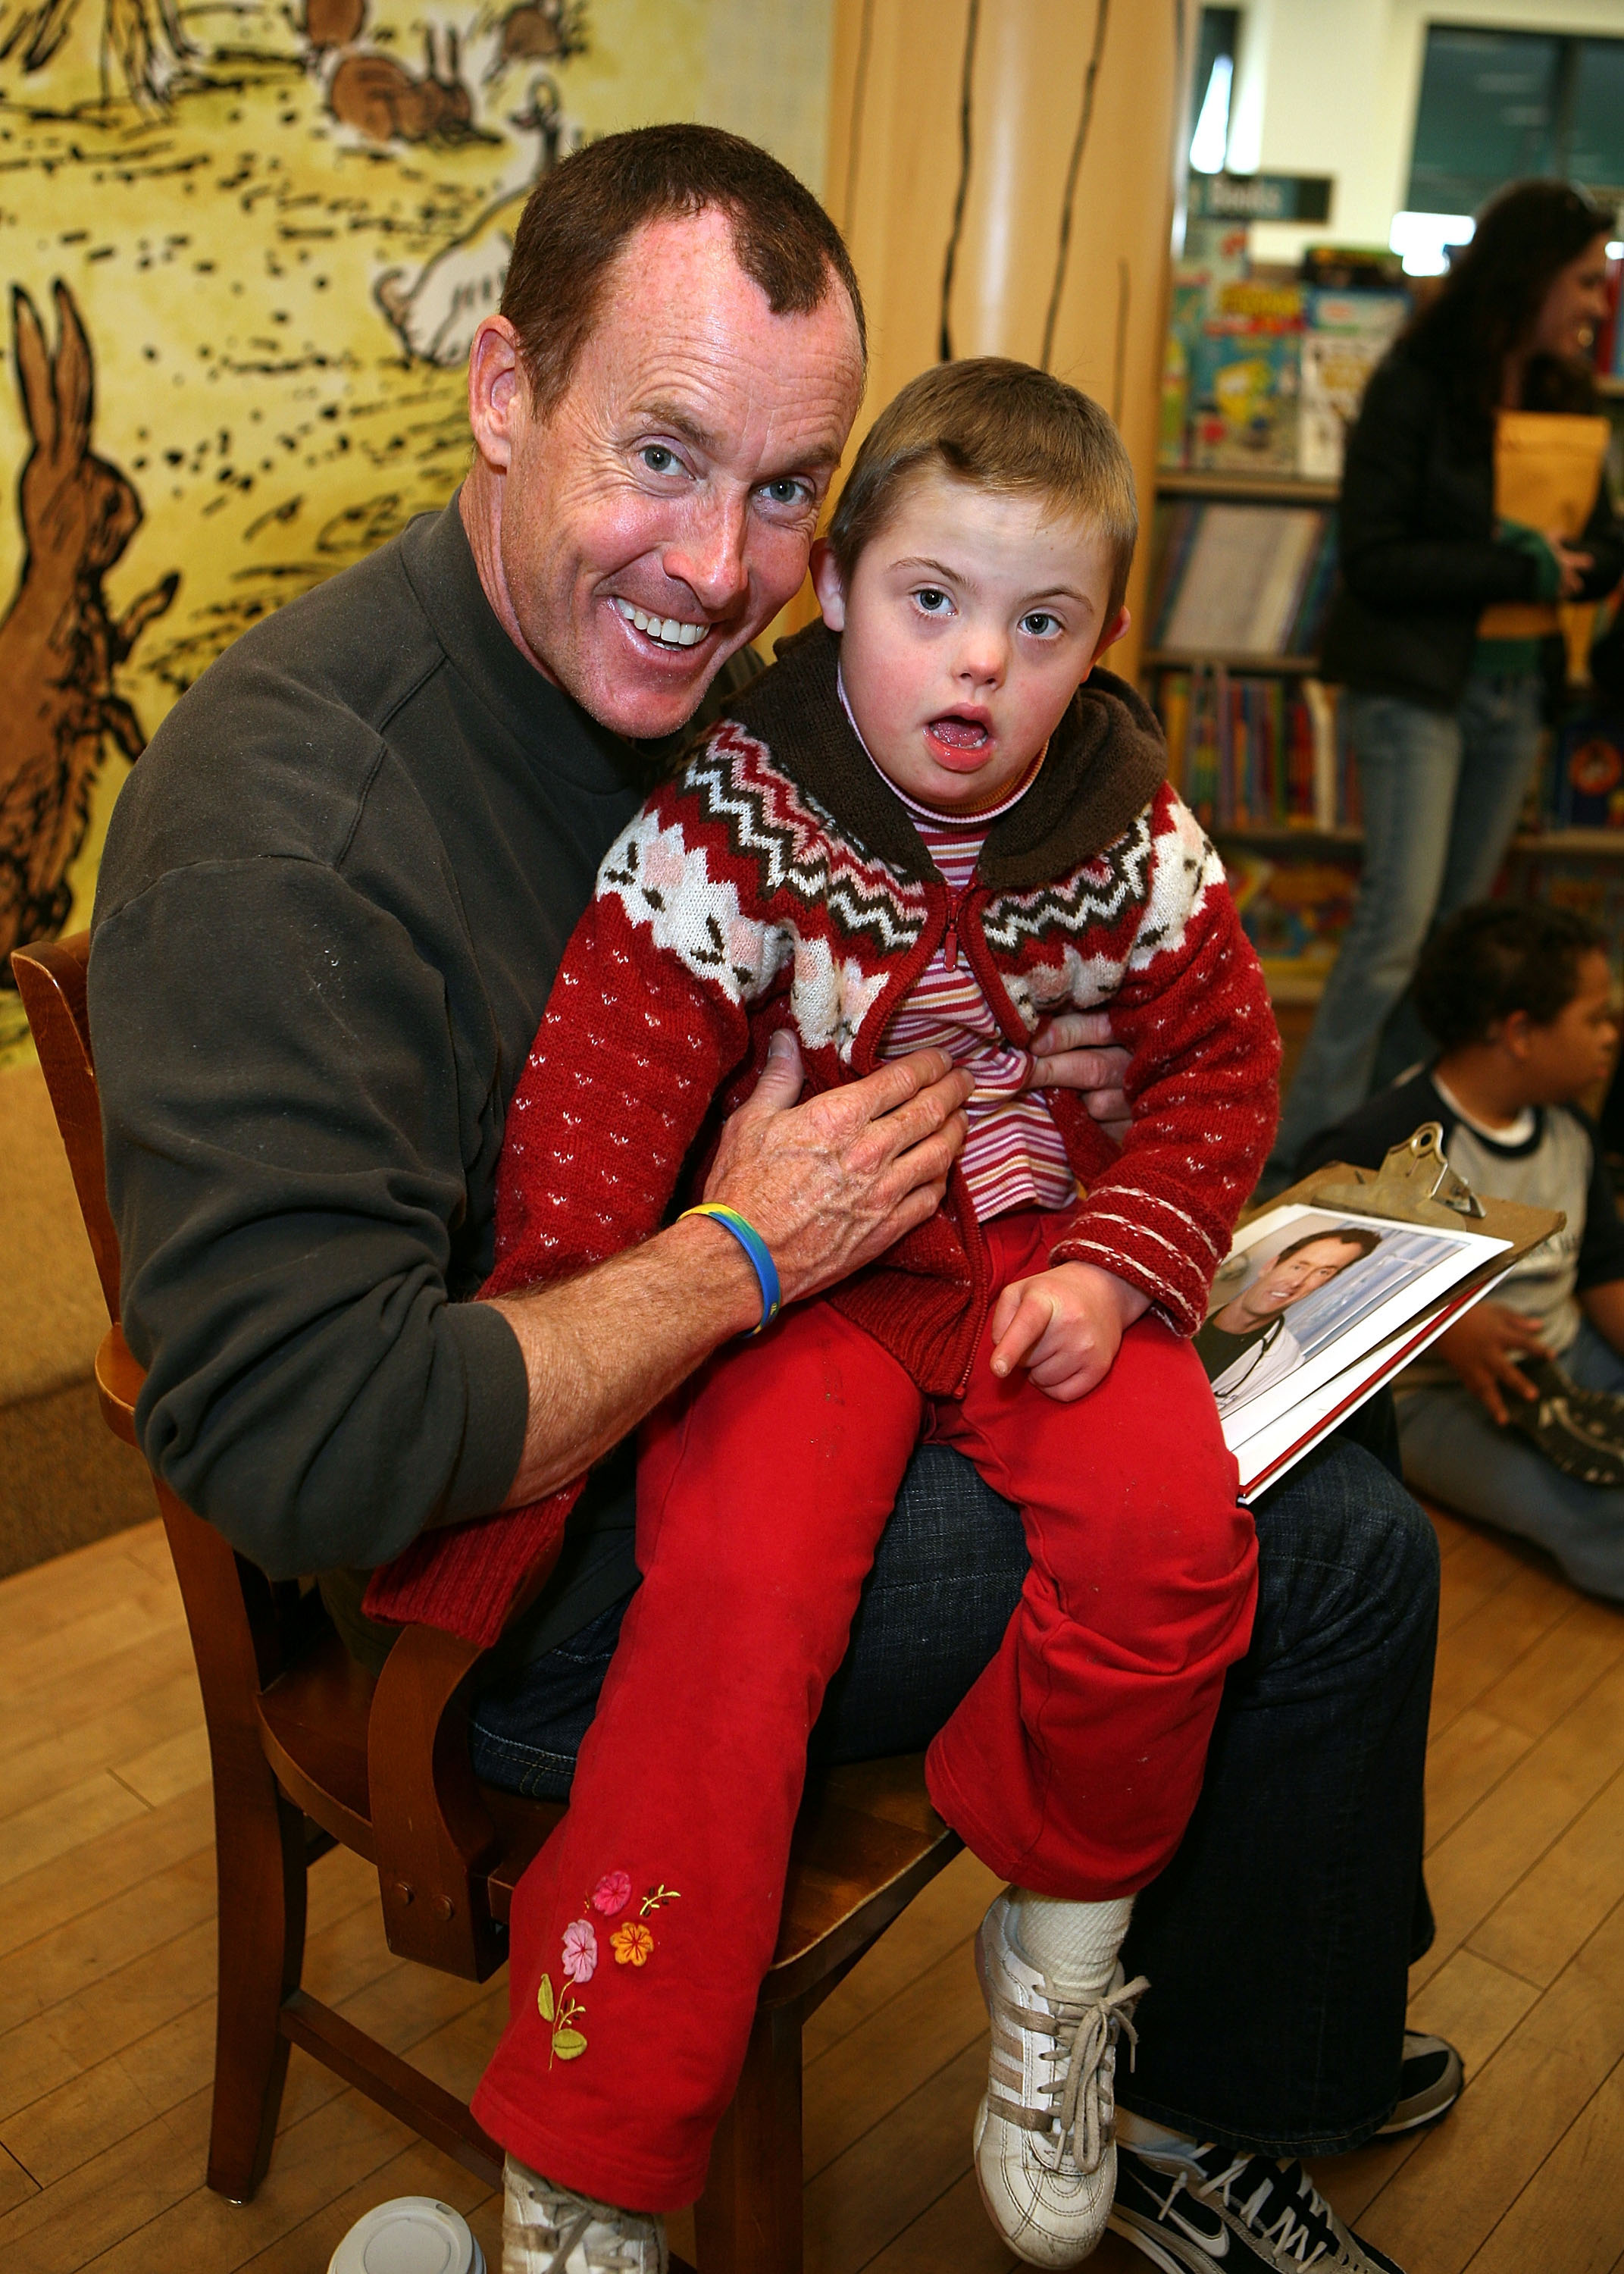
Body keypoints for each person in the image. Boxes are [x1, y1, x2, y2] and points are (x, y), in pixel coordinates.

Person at [84, 125, 1444, 2274]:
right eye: (658, 453)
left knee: (1270, 1438)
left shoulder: (725, 704)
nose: (718, 568)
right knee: (1337, 1546)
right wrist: (732, 1258)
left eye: (789, 491)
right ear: (504, 395)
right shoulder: (290, 824)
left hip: (818, 1341)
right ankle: (1193, 2109)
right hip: (513, 1581)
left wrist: (1126, 1206)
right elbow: (304, 1452)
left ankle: (1184, 2059)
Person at [386, 357, 1275, 2267]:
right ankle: (592, 2150)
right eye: (930, 603)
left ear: (1104, 637)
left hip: (1045, 1270)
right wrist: (599, 1318)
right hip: (813, 1284)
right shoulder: (740, 807)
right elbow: (604, 1087)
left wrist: (1126, 1254)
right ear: (840, 583)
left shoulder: (1138, 831)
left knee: (1181, 1546)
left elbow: (1220, 1072)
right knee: (727, 1609)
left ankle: (1057, 1958)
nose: (978, 670)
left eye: (1041, 626)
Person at [1271, 179, 1624, 1180]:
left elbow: (1595, 539)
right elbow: (1375, 556)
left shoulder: (1564, 398)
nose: (1596, 308)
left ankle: (1384, 1147)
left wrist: (1582, 562)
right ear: (1526, 278)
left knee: (1447, 948)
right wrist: (1516, 563)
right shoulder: (1413, 384)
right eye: (1584, 284)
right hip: (1416, 686)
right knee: (1391, 927)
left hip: (1515, 693)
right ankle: (1299, 1157)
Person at [1302, 901, 1624, 1599]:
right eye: (1595, 1017)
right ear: (1519, 1033)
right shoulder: (1387, 1141)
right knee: (1595, 1513)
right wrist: (1447, 1320)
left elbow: (1601, 1268)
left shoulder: (1572, 1131)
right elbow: (1312, 1280)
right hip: (1436, 1399)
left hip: (1560, 1355)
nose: (1611, 1035)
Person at [1197, 1225, 1381, 1412]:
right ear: (1270, 1266)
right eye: (1298, 1267)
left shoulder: (1285, 1359)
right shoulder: (1196, 1307)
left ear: (1326, 1284)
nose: (1296, 1282)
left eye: (1323, 1273)